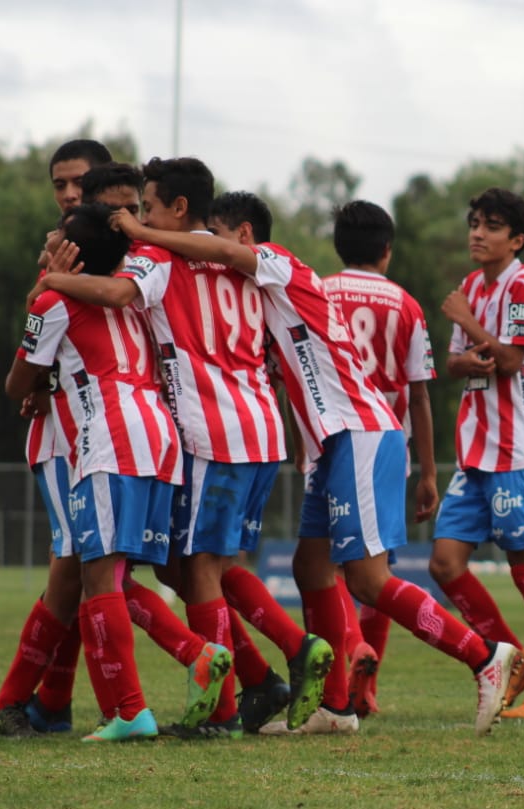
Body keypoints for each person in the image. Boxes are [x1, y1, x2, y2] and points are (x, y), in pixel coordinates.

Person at [108, 190, 517, 737]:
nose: (208, 257)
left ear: (246, 237)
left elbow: (225, 259)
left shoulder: (280, 263)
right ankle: (336, 708)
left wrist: (145, 233)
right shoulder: (256, 297)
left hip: (361, 429)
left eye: (219, 242)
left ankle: (484, 655)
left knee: (368, 580)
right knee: (309, 568)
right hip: (333, 441)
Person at [37, 158, 333, 738]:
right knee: (207, 565)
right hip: (262, 427)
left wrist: (51, 279)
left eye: (145, 207)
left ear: (175, 209)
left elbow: (120, 293)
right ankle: (288, 656)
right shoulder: (240, 256)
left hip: (209, 429)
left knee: (196, 570)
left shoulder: (160, 255)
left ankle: (222, 709)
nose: (137, 218)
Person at [6, 202, 228, 742]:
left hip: (108, 438)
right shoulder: (134, 295)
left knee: (99, 577)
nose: (50, 239)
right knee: (111, 576)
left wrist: (42, 287)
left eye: (57, 237)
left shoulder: (55, 299)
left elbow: (17, 384)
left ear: (70, 253)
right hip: (159, 438)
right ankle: (189, 658)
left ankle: (131, 710)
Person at [0, 140, 114, 735]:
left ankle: (37, 701)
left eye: (78, 183)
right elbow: (39, 328)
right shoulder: (60, 252)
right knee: (79, 565)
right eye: (59, 184)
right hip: (64, 431)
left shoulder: (122, 253)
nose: (67, 194)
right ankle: (49, 703)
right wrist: (40, 376)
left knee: (84, 569)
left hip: (105, 432)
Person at [427, 187, 524, 720]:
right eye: (474, 223)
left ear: (516, 240)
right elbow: (455, 365)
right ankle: (517, 663)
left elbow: (510, 359)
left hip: (518, 449)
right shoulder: (470, 285)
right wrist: (472, 352)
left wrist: (469, 325)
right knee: (444, 563)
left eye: (490, 226)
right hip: (476, 450)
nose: (476, 233)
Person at [321, 200, 439, 719]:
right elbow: (419, 396)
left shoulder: (318, 293)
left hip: (332, 441)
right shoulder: (408, 305)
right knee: (379, 569)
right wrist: (430, 471)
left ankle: (348, 658)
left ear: (338, 246)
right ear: (387, 251)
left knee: (325, 566)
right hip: (389, 447)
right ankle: (366, 691)